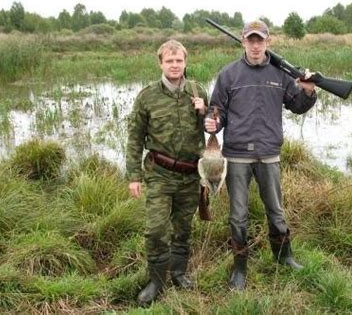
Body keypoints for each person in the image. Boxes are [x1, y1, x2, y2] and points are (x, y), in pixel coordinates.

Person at [204, 20, 317, 290]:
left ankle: (284, 257)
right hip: (237, 155)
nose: (255, 45)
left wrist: (309, 90)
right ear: (243, 41)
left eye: (260, 40)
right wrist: (212, 123)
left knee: (276, 211)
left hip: (269, 154)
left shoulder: (281, 74)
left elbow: (297, 106)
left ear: (268, 42)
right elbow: (216, 110)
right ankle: (240, 268)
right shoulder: (228, 74)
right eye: (250, 40)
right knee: (238, 215)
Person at [126, 39, 207, 304]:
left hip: (191, 174)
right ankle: (156, 281)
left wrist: (205, 114)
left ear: (186, 62)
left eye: (179, 61)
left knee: (183, 227)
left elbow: (212, 129)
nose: (175, 65)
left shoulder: (198, 92)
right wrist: (134, 176)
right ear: (161, 63)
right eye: (170, 61)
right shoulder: (147, 96)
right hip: (159, 174)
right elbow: (135, 138)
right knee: (156, 229)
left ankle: (179, 273)